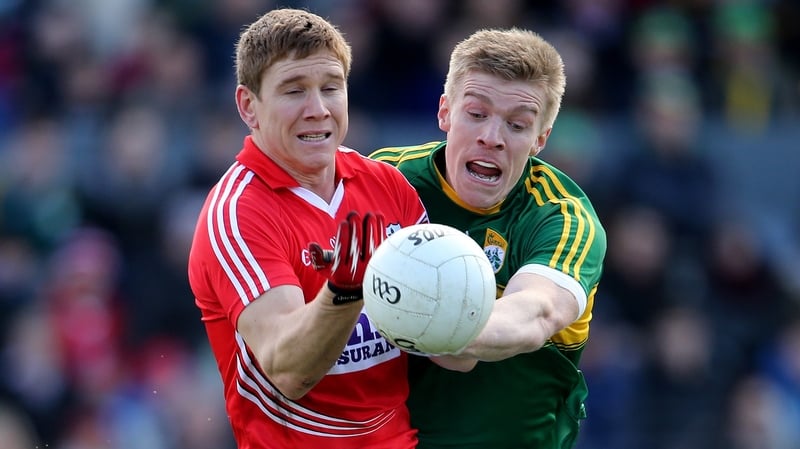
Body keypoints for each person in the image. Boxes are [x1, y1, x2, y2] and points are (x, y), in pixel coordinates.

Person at [187, 8, 429, 449]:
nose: (317, 110)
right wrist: (345, 293)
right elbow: (289, 370)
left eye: (331, 88)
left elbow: (441, 343)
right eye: (294, 90)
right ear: (248, 106)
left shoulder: (387, 185)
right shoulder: (238, 213)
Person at [370, 28, 607, 448]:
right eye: (477, 114)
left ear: (540, 139)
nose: (492, 138)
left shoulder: (562, 217)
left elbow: (536, 312)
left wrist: (445, 327)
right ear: (445, 112)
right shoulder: (384, 181)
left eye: (517, 125)